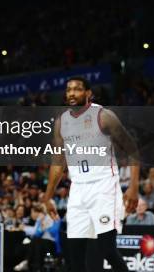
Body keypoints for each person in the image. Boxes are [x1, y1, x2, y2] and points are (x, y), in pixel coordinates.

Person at [43, 76, 140, 272]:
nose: (72, 93)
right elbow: (58, 162)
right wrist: (47, 196)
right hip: (78, 188)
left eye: (77, 89)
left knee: (106, 247)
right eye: (69, 89)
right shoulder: (61, 122)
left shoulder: (104, 116)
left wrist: (134, 187)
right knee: (75, 251)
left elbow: (132, 149)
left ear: (88, 93)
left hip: (104, 186)